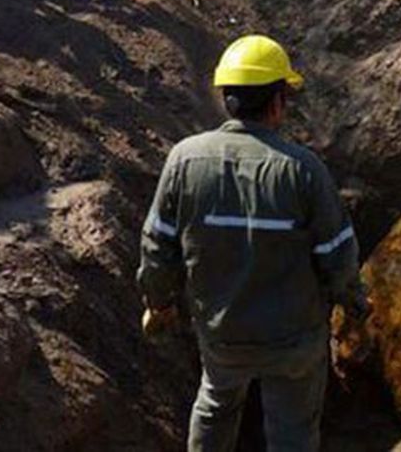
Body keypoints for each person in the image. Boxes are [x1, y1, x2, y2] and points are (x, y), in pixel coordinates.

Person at [138, 34, 367, 452]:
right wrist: (354, 306)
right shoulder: (304, 170)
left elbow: (157, 246)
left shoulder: (185, 160)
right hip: (293, 340)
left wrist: (160, 303)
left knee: (215, 403)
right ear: (278, 101)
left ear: (226, 97)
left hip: (222, 334)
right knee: (293, 428)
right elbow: (338, 256)